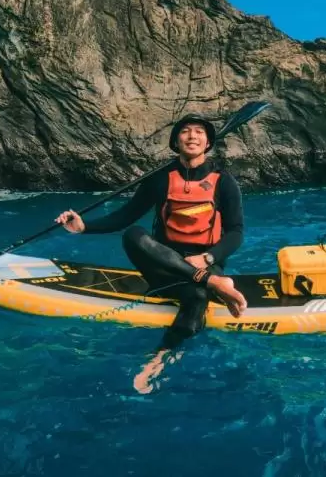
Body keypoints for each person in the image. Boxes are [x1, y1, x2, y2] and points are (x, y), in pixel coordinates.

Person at [55, 113, 248, 391]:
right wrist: (84, 226)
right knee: (134, 234)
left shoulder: (224, 181)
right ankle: (214, 283)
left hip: (205, 263)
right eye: (185, 131)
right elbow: (126, 216)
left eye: (199, 132)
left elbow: (236, 232)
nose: (192, 136)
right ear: (176, 141)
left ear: (208, 143)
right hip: (166, 267)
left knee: (196, 297)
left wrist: (208, 258)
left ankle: (161, 355)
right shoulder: (160, 179)